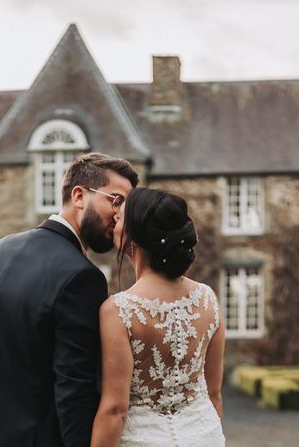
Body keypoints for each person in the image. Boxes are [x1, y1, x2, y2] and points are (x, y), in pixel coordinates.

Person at [0, 153, 139, 447]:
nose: (121, 216)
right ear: (80, 196)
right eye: (116, 200)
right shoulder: (82, 277)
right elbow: (75, 391)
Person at [91, 187, 226, 447]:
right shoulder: (208, 299)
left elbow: (115, 411)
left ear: (134, 238)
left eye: (121, 216)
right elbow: (214, 393)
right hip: (204, 436)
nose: (115, 217)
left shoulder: (119, 310)